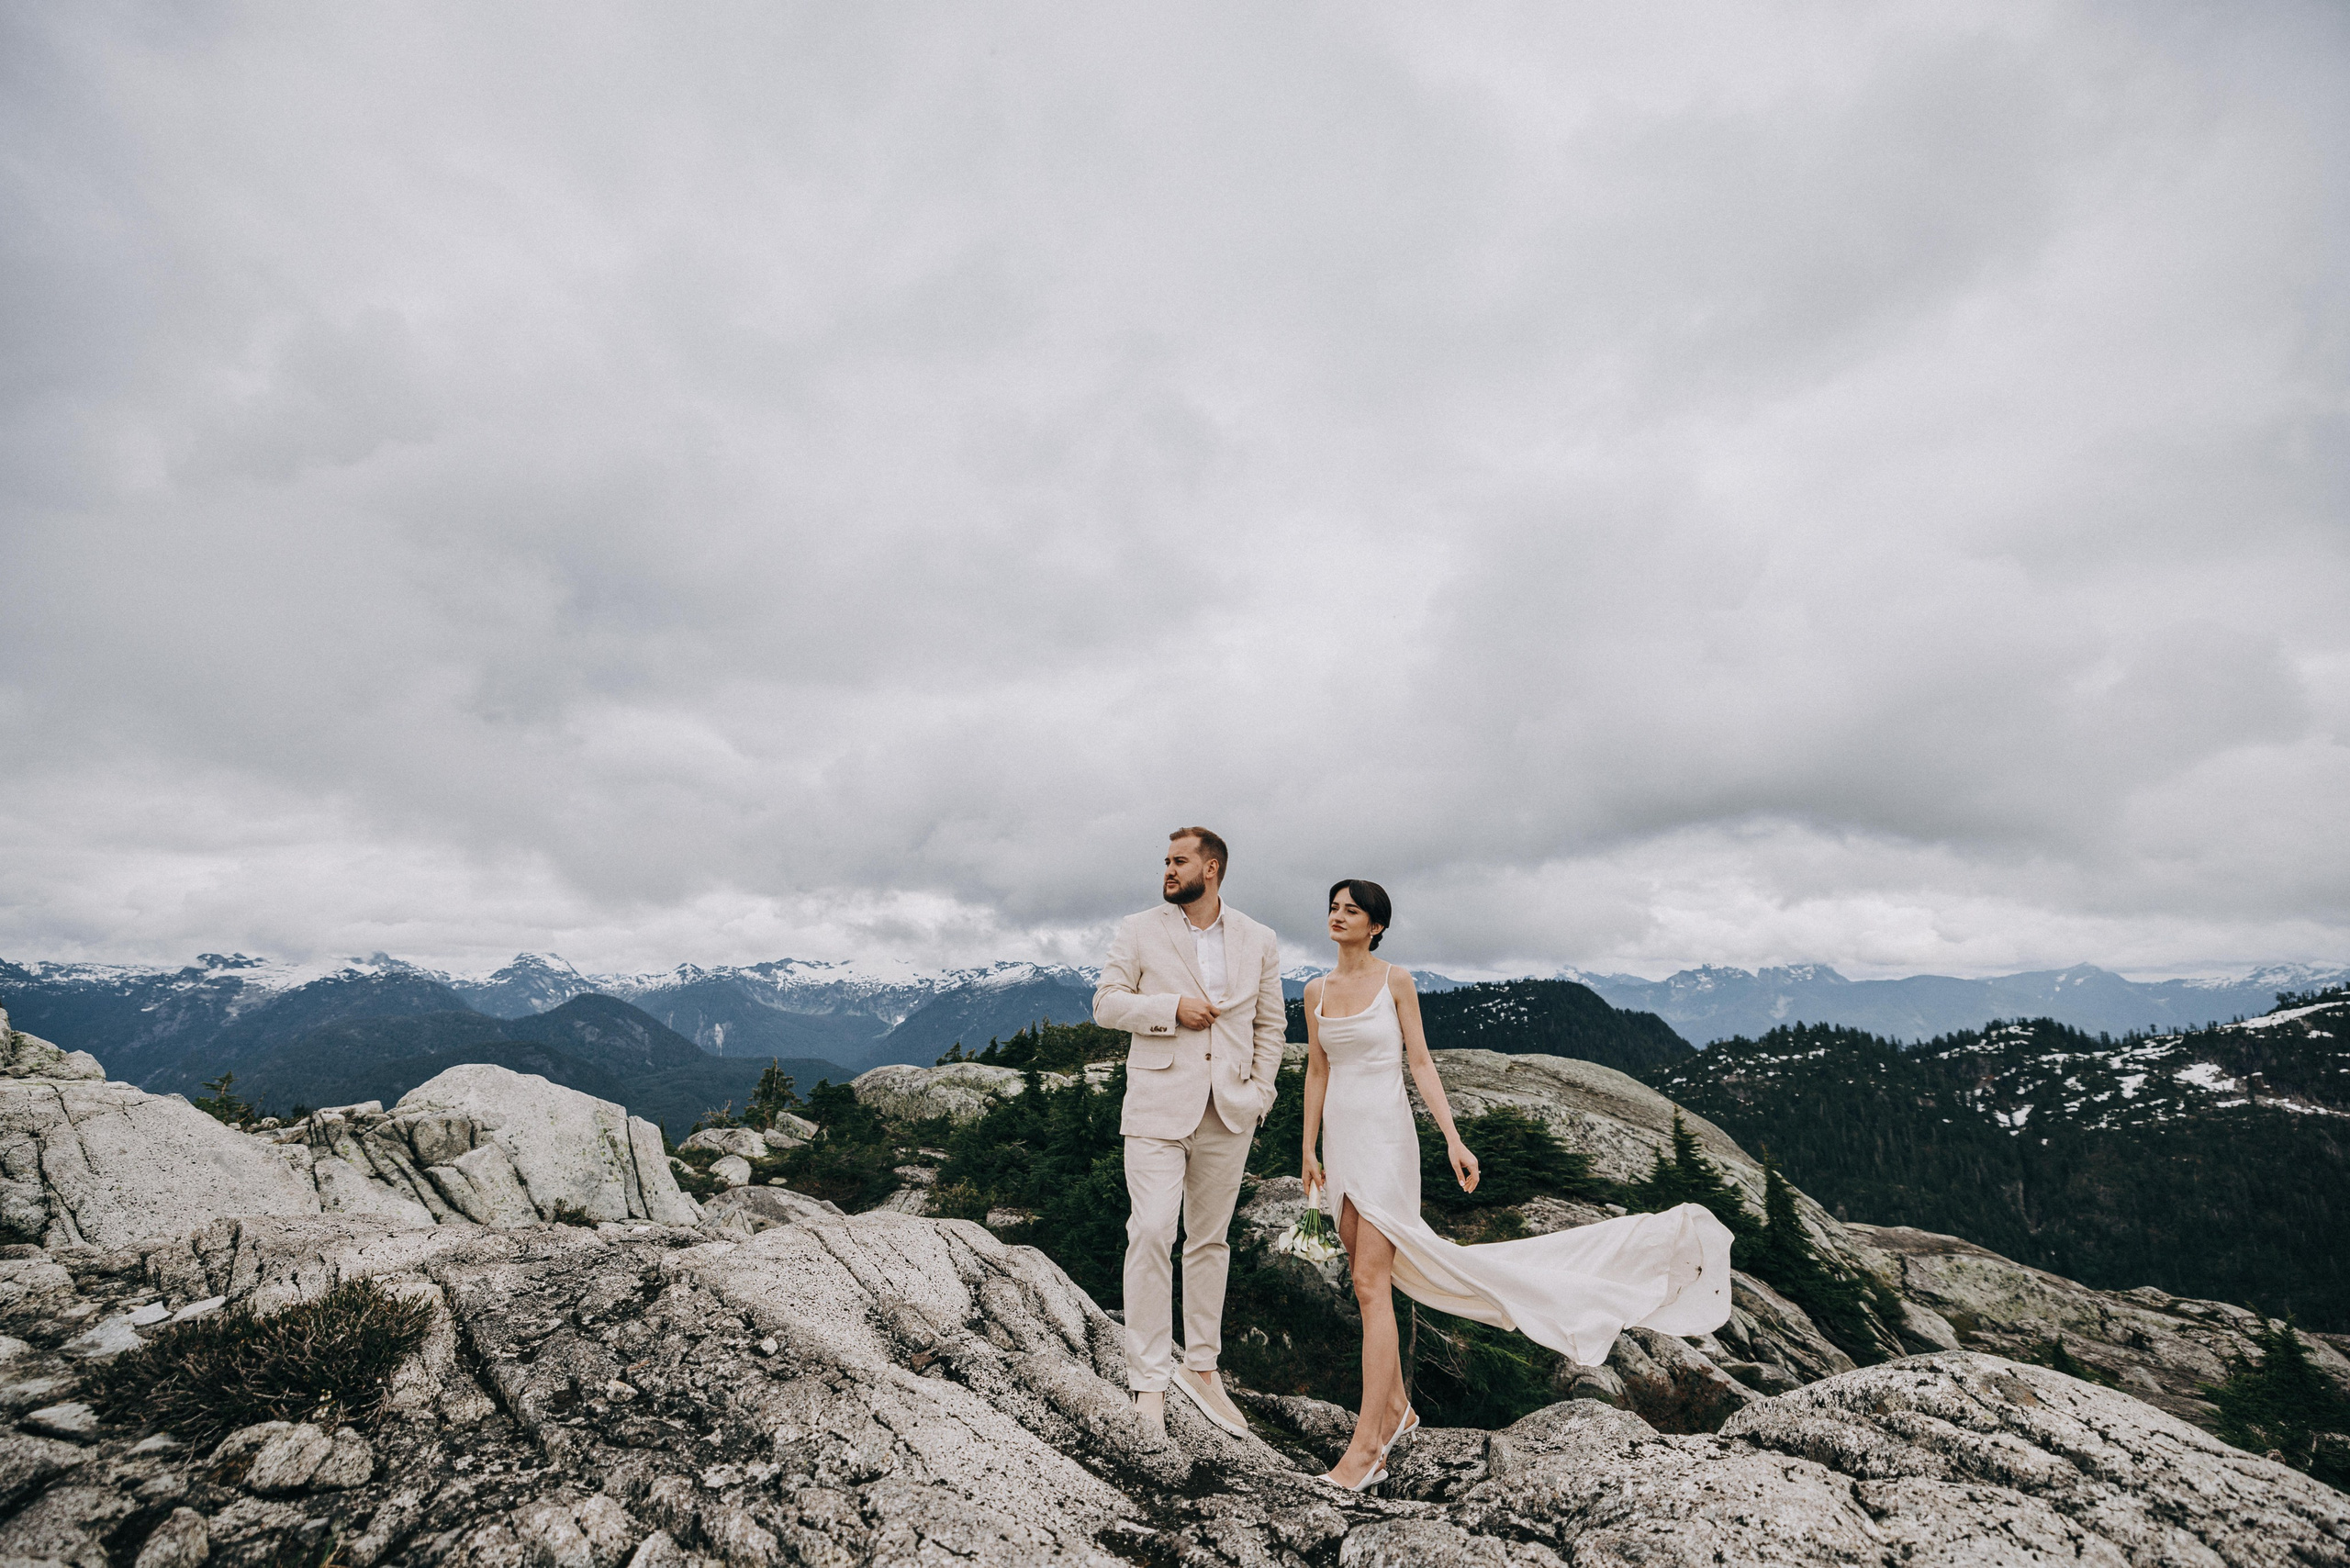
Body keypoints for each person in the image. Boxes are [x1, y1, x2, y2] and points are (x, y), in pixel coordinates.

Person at [1300, 879, 1735, 1490]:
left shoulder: (1394, 981)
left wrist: (1453, 1139)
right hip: (1341, 1145)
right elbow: (1317, 1069)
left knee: (1372, 1286)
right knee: (1369, 1279)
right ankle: (1397, 1410)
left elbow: (1420, 1062)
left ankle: (1369, 1445)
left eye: (1353, 910)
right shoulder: (1316, 992)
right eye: (1334, 907)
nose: (1338, 916)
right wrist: (1308, 1148)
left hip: (1386, 1140)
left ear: (1375, 926)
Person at [1092, 826, 1288, 1438]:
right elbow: (1106, 1003)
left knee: (1210, 1241)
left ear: (1214, 868)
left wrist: (1259, 1095)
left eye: (1180, 861)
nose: (1169, 870)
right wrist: (1169, 1008)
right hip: (1156, 1106)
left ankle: (1202, 1368)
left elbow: (1271, 1026)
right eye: (1167, 861)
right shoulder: (1139, 928)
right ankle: (1148, 1379)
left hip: (1228, 1111)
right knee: (1151, 1231)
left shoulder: (1259, 938)